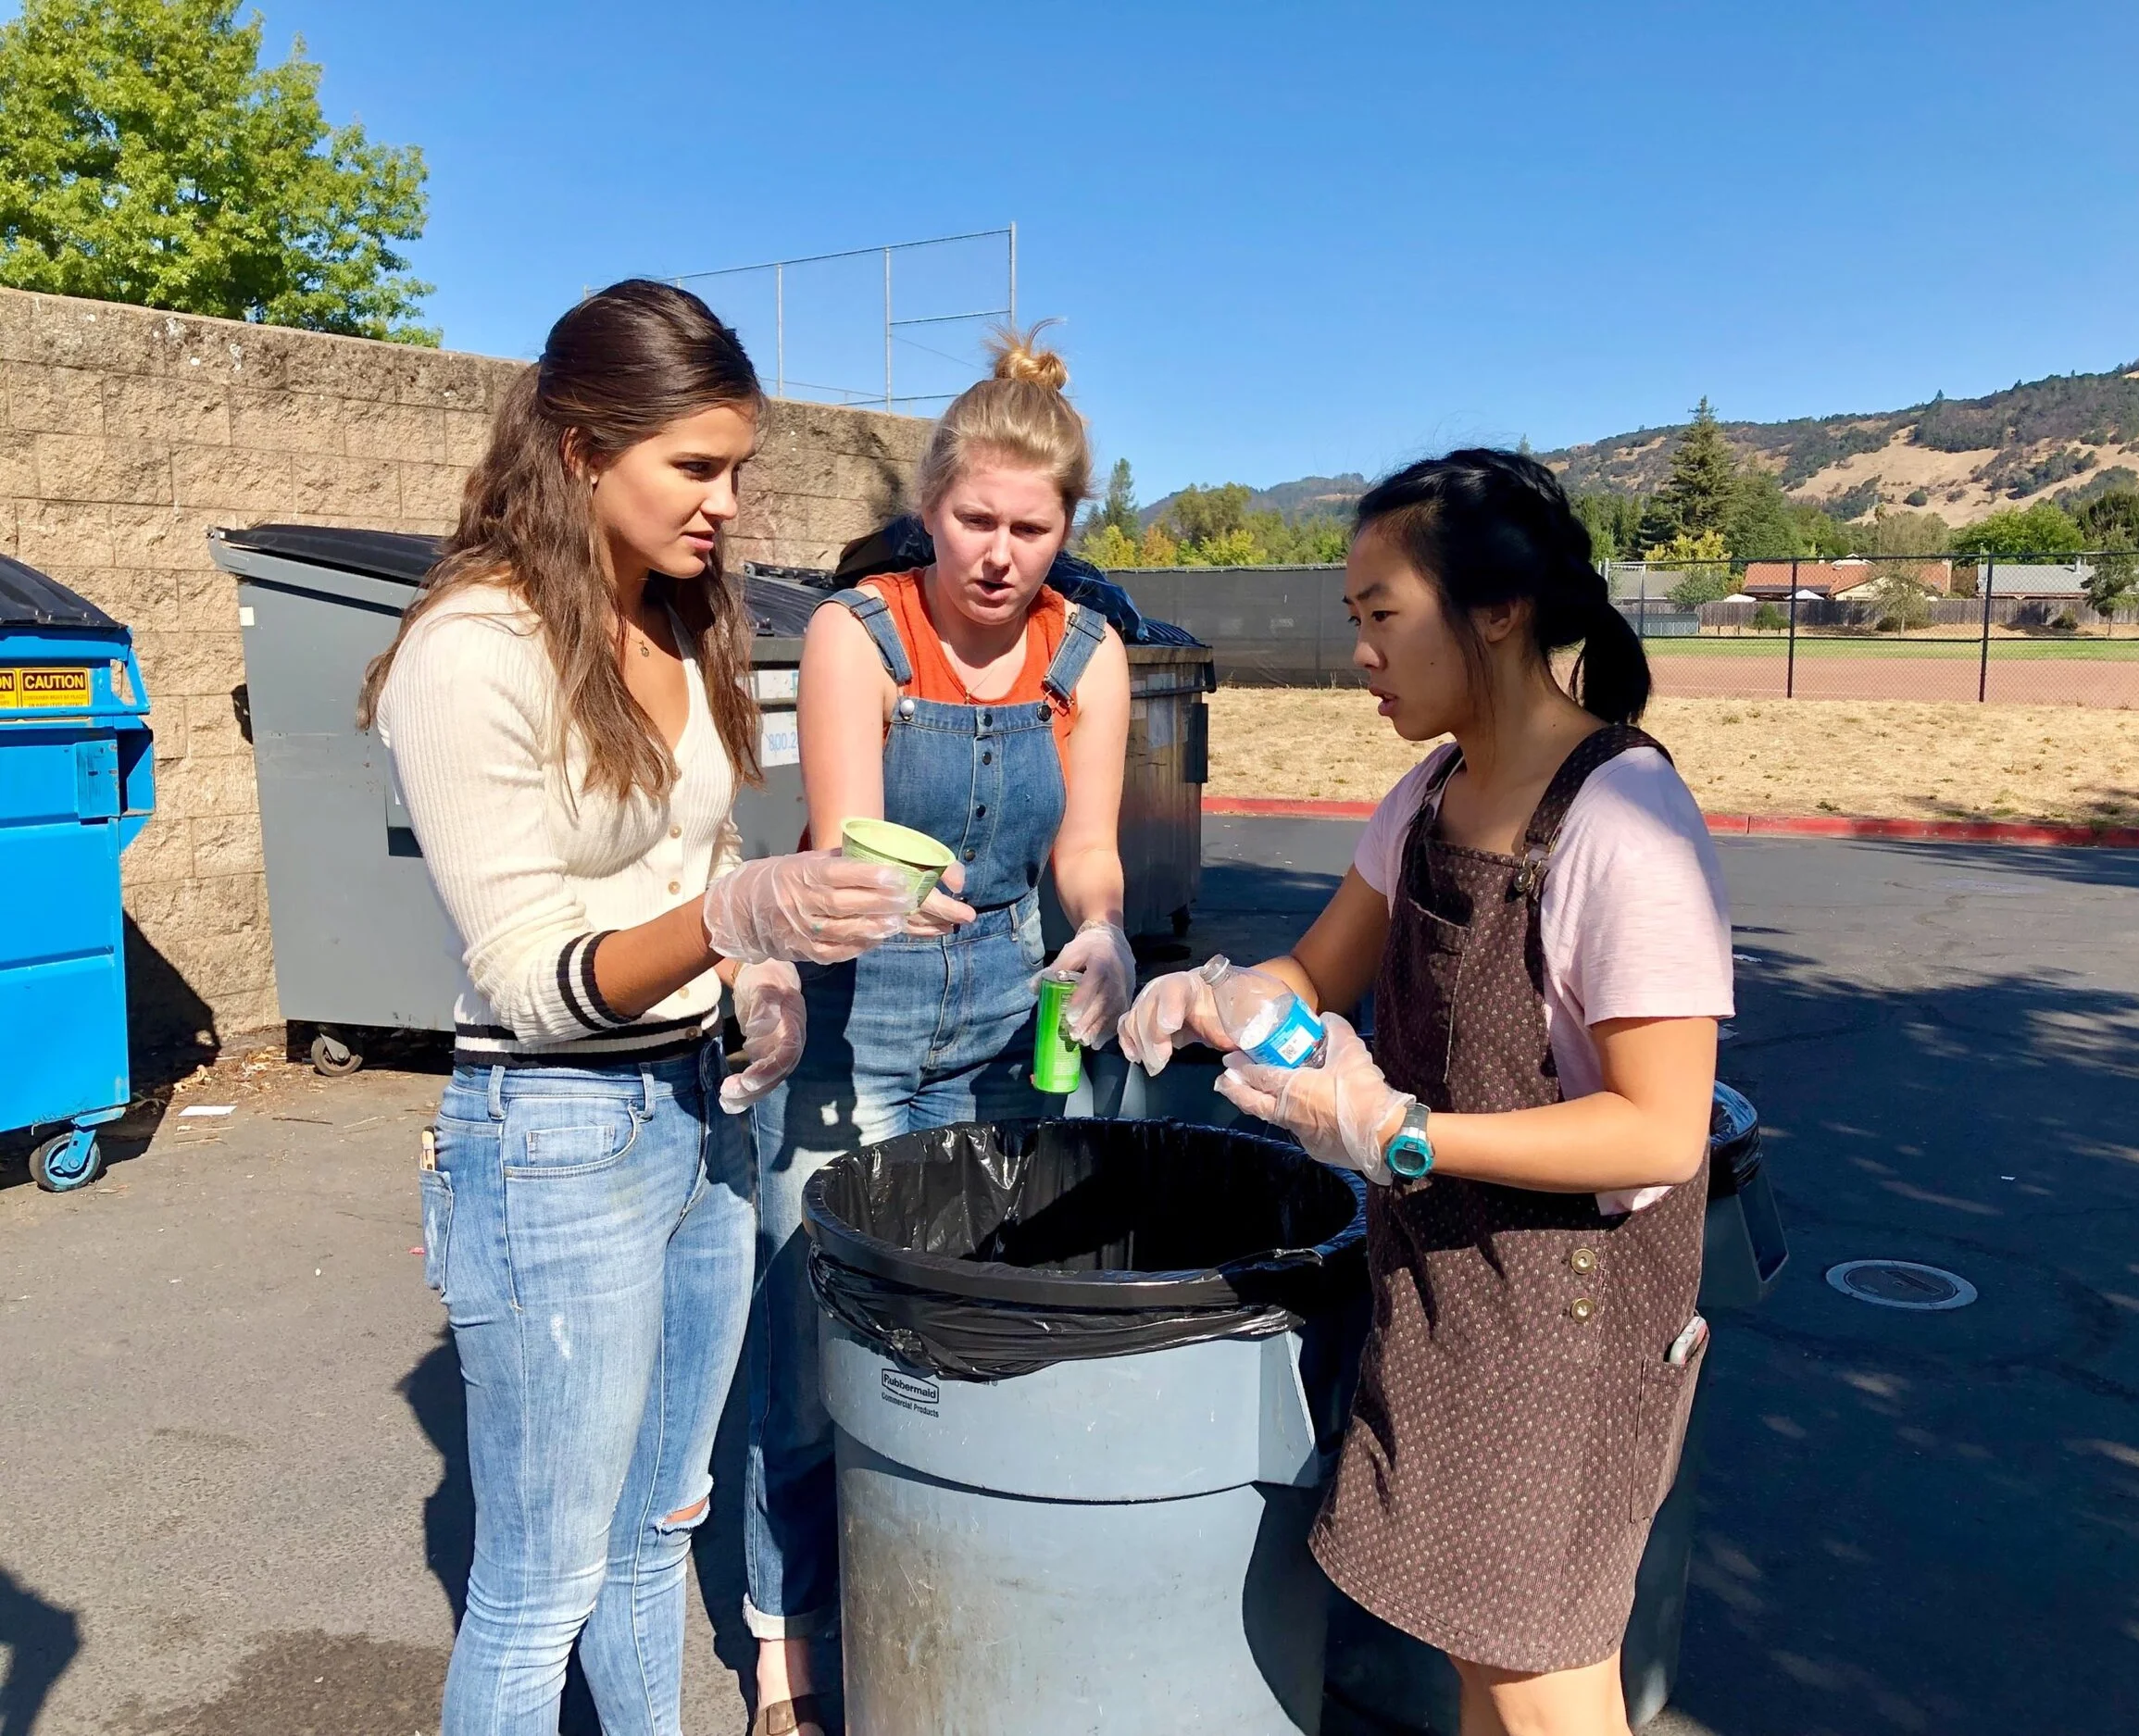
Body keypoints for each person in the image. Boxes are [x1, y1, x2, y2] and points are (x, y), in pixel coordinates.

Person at [360, 281, 940, 1736]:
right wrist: (733, 920)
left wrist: (751, 962)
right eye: (695, 466)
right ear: (575, 450)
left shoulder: (677, 623)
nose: (729, 503)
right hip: (551, 1134)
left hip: (698, 1114)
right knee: (539, 1584)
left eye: (738, 467)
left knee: (658, 1531)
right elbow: (535, 980)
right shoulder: (470, 651)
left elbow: (699, 857)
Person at [1120, 449, 1732, 1736]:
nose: (1360, 654)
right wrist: (1212, 995)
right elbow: (1311, 973)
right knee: (1478, 1656)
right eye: (1355, 621)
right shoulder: (1428, 795)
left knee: (1550, 1679)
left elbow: (1661, 1127)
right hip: (1448, 1289)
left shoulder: (1626, 821)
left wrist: (1400, 1134)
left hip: (1571, 1323)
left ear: (1496, 611)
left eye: (1381, 615)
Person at [744, 327, 1135, 1736]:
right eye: (975, 519)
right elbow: (852, 838)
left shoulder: (1088, 658)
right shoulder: (859, 633)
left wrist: (1100, 927)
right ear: (930, 507)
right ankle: (791, 1657)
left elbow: (1085, 851)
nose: (999, 552)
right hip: (861, 1021)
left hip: (1007, 1031)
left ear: (1066, 529)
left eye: (1033, 528)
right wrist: (898, 892)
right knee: (811, 1350)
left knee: (976, 1345)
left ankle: (957, 1608)